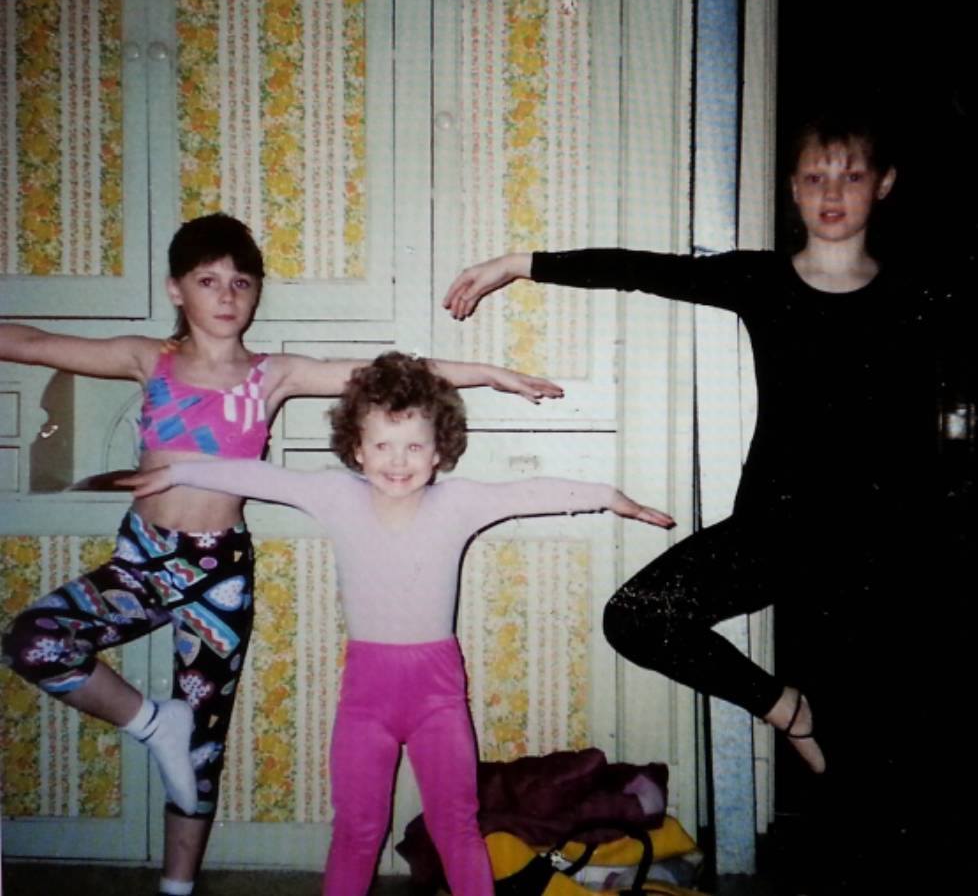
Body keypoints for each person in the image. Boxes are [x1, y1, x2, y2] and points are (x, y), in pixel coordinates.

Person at [0, 213, 563, 896]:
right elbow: (30, 342)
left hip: (219, 576)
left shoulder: (273, 375)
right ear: (177, 289)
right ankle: (154, 722)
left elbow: (398, 373)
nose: (227, 295)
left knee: (202, 744)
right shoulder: (149, 359)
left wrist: (495, 374)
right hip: (142, 560)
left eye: (241, 281)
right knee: (35, 641)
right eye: (208, 281)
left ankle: (177, 886)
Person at [442, 110, 959, 791]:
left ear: (883, 184)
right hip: (772, 529)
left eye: (852, 176)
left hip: (876, 541)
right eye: (814, 176)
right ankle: (786, 710)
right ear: (793, 190)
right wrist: (517, 265)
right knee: (636, 616)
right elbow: (639, 271)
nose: (832, 192)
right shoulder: (764, 281)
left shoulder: (917, 296)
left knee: (876, 736)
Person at [119, 351, 675, 896]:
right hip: (366, 698)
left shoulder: (457, 503)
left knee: (457, 825)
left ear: (439, 452)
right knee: (358, 831)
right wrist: (176, 470)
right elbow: (260, 476)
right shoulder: (335, 495)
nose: (398, 459)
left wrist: (609, 498)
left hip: (438, 696)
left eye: (414, 445)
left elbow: (532, 493)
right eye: (382, 444)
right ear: (357, 450)